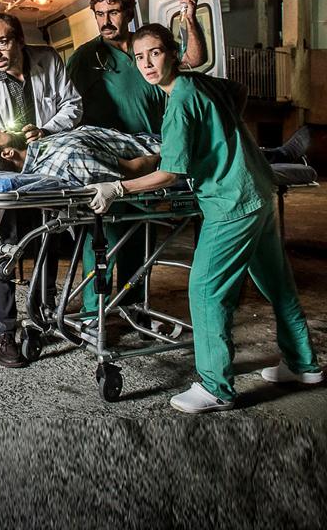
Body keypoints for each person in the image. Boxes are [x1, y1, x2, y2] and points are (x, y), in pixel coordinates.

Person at [89, 23, 322, 413]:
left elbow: (170, 173)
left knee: (205, 290)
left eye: (155, 53)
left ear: (173, 53)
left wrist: (118, 188)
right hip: (257, 188)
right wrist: (220, 135)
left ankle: (217, 388)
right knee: (276, 283)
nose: (147, 63)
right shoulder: (201, 83)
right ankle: (303, 364)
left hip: (230, 202)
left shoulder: (180, 102)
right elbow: (239, 92)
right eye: (140, 57)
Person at [65, 0, 205, 316]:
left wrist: (189, 15)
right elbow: (65, 106)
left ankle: (133, 309)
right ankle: (92, 314)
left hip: (152, 155)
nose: (106, 21)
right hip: (110, 161)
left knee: (140, 239)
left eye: (113, 12)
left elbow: (194, 59)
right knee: (102, 239)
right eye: (100, 14)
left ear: (128, 12)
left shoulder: (146, 48)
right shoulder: (86, 58)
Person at [0, 13, 82, 367]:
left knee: (49, 237)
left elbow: (73, 105)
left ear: (19, 39)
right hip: (11, 174)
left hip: (51, 165)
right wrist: (19, 143)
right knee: (4, 245)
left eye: (2, 43)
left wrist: (46, 131)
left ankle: (44, 314)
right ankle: (4, 330)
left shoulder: (47, 59)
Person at [0, 126, 159, 184]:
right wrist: (172, 152)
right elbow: (136, 170)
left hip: (144, 138)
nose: (1, 129)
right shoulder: (70, 161)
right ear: (8, 153)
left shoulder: (40, 149)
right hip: (159, 149)